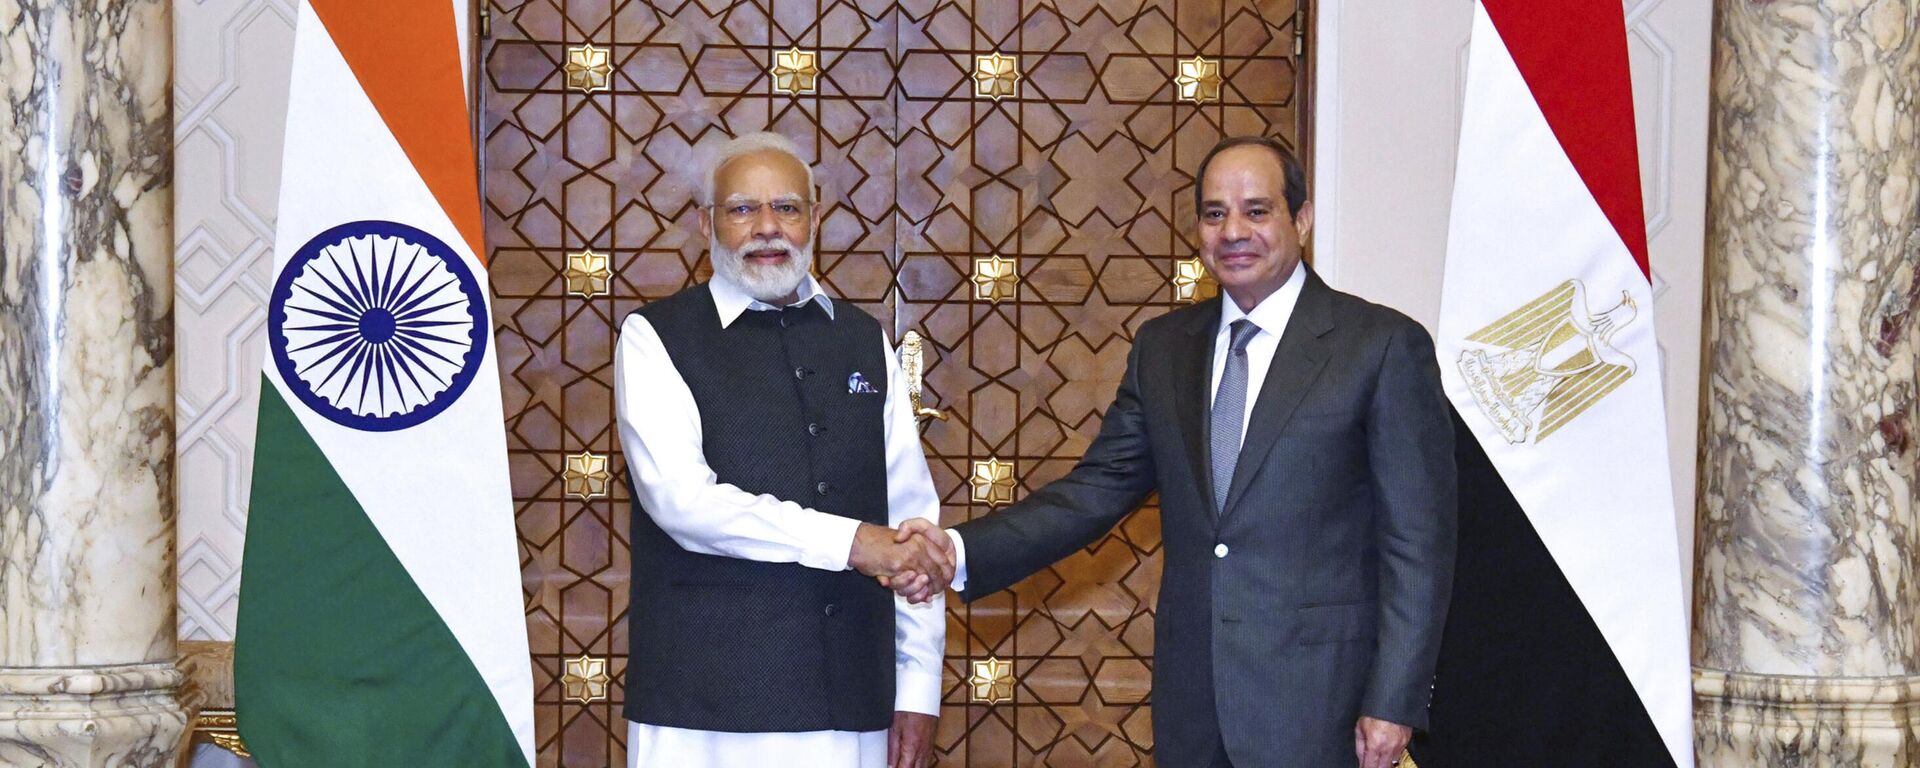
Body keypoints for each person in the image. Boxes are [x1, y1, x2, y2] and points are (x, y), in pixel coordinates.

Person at [904, 136, 1457, 768]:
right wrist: (959, 551)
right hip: (1193, 707)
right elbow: (1096, 490)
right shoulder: (1166, 349)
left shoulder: (1380, 346)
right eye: (1215, 213)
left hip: (1323, 707)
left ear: (1300, 220)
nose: (1234, 231)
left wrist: (1394, 701)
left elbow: (1419, 543)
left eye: (1257, 209)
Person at [613, 131, 952, 768]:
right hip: (703, 713)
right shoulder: (654, 337)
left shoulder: (862, 340)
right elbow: (684, 503)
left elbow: (914, 525)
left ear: (815, 220)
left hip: (850, 705)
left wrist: (918, 689)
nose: (767, 227)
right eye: (743, 209)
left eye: (787, 208)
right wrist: (852, 541)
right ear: (706, 224)